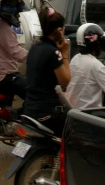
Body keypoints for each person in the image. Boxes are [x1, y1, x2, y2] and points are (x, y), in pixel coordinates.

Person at [23, 8, 70, 136]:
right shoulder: (53, 52)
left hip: (29, 109)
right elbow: (65, 82)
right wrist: (64, 52)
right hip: (47, 113)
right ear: (59, 30)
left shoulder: (34, 48)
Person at [0, 0, 29, 100]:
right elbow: (17, 53)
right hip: (1, 77)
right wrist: (35, 55)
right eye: (17, 13)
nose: (19, 16)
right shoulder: (5, 29)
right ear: (10, 14)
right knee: (32, 90)